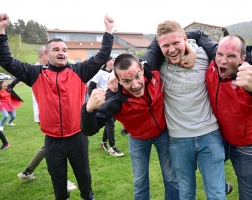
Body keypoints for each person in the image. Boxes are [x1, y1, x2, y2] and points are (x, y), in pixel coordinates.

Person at [140, 28, 252, 199]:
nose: (223, 60)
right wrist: (186, 47)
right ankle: (222, 185)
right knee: (206, 182)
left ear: (242, 59)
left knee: (246, 193)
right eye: (220, 55)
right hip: (218, 137)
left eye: (231, 57)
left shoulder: (249, 77)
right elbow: (197, 34)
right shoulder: (212, 65)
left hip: (243, 144)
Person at [0, 13, 114, 200]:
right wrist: (2, 30)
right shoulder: (34, 73)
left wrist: (108, 31)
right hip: (53, 141)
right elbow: (6, 60)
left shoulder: (79, 71)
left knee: (84, 178)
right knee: (58, 181)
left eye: (64, 49)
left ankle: (88, 197)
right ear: (46, 53)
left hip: (78, 136)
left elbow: (102, 56)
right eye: (56, 50)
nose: (61, 53)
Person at [140, 21, 227, 200]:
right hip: (178, 140)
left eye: (175, 43)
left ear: (185, 40)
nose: (171, 50)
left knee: (217, 193)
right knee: (186, 194)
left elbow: (232, 60)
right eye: (165, 45)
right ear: (159, 46)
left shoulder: (204, 55)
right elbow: (134, 68)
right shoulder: (158, 64)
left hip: (209, 135)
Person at [81, 53, 179, 200]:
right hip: (138, 138)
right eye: (126, 81)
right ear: (119, 80)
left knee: (171, 177)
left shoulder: (151, 69)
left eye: (137, 76)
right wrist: (88, 110)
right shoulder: (114, 99)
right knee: (140, 181)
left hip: (163, 133)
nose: (135, 85)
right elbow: (89, 130)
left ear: (141, 68)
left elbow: (161, 38)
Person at [16, 46, 77, 191]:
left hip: (51, 115)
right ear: (41, 56)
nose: (52, 56)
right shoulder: (36, 71)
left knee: (49, 147)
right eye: (47, 53)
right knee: (55, 147)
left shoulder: (51, 69)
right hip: (46, 116)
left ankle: (27, 172)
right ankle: (62, 179)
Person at [88, 56, 124, 157]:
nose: (113, 61)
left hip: (111, 100)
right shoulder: (100, 73)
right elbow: (91, 86)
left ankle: (103, 143)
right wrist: (93, 100)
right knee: (110, 122)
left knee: (111, 121)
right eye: (112, 60)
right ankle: (112, 147)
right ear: (107, 62)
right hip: (103, 100)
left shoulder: (113, 72)